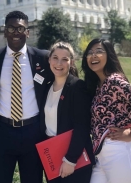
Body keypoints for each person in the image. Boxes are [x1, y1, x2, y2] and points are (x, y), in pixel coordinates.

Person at [0, 10, 53, 183]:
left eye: (20, 29)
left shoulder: (42, 58)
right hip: (2, 131)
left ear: (28, 32)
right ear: (4, 31)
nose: (16, 33)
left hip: (33, 131)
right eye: (11, 28)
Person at [81, 38, 131, 183]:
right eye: (90, 53)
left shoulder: (115, 81)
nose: (93, 56)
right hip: (101, 156)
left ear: (109, 55)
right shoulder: (98, 85)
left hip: (121, 153)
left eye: (99, 51)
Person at [40, 42, 95, 183]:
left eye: (65, 59)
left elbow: (82, 126)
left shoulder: (78, 87)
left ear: (71, 62)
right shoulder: (46, 88)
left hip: (73, 159)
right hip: (51, 155)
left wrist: (71, 159)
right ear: (49, 60)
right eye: (55, 57)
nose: (59, 63)